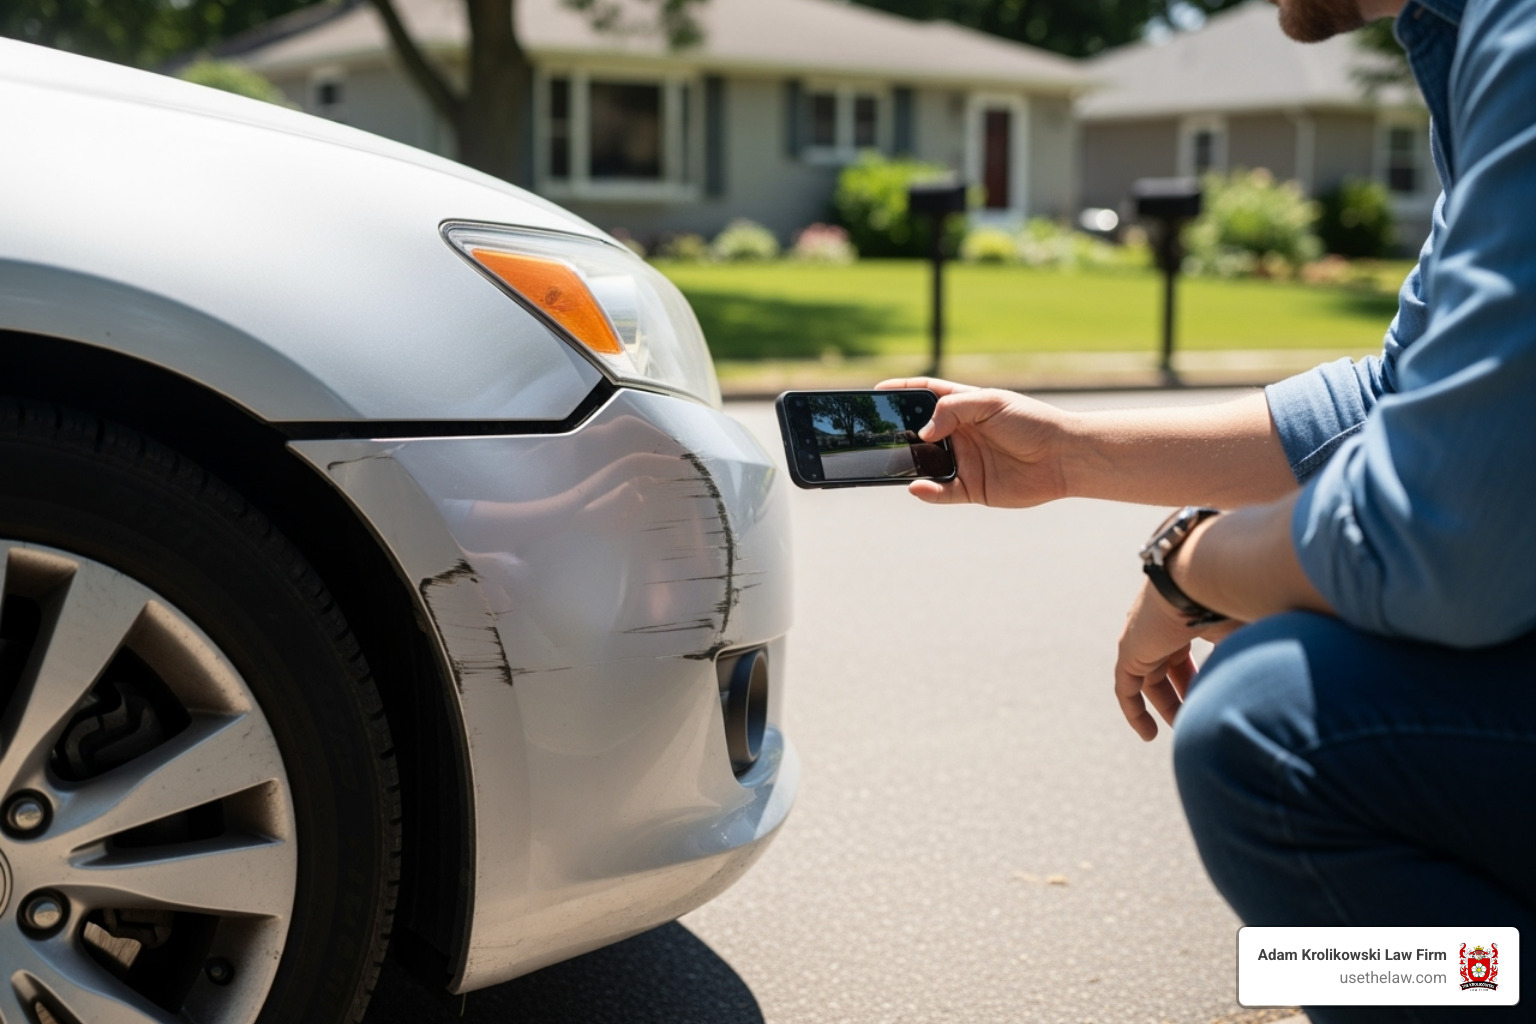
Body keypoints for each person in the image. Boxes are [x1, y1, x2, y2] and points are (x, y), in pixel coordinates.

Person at [880, 0, 1536, 1018]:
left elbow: (1442, 539)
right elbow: (1412, 390)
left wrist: (1190, 566)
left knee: (1265, 730)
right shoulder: (1466, 34)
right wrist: (1066, 454)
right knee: (1298, 945)